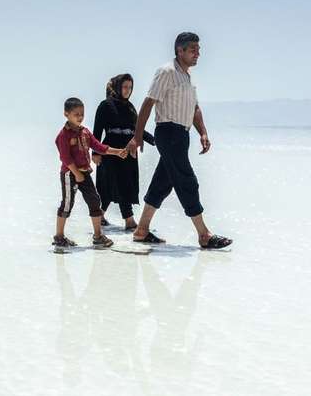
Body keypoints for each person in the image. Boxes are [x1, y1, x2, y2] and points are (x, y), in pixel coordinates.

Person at [128, 32, 232, 249]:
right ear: (180, 50)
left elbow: (194, 108)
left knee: (162, 184)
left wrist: (202, 132)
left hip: (181, 135)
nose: (198, 53)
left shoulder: (186, 77)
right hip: (168, 133)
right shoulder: (167, 72)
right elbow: (148, 103)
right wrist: (137, 137)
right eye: (193, 49)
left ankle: (141, 230)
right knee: (187, 181)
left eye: (198, 49)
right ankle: (204, 234)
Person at [54, 97, 128, 248]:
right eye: (76, 114)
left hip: (85, 173)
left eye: (82, 114)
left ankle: (98, 236)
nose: (80, 117)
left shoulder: (85, 132)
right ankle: (59, 237)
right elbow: (65, 157)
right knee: (67, 204)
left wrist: (117, 152)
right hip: (70, 174)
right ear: (66, 114)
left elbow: (99, 147)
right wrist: (77, 174)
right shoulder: (64, 135)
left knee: (95, 201)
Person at [92, 74, 155, 230]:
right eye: (125, 87)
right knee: (111, 185)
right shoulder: (105, 105)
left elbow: (137, 130)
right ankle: (128, 221)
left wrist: (155, 140)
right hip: (110, 152)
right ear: (118, 86)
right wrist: (95, 153)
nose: (128, 90)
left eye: (130, 87)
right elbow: (97, 131)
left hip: (128, 152)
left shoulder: (130, 107)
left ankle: (101, 216)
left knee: (124, 184)